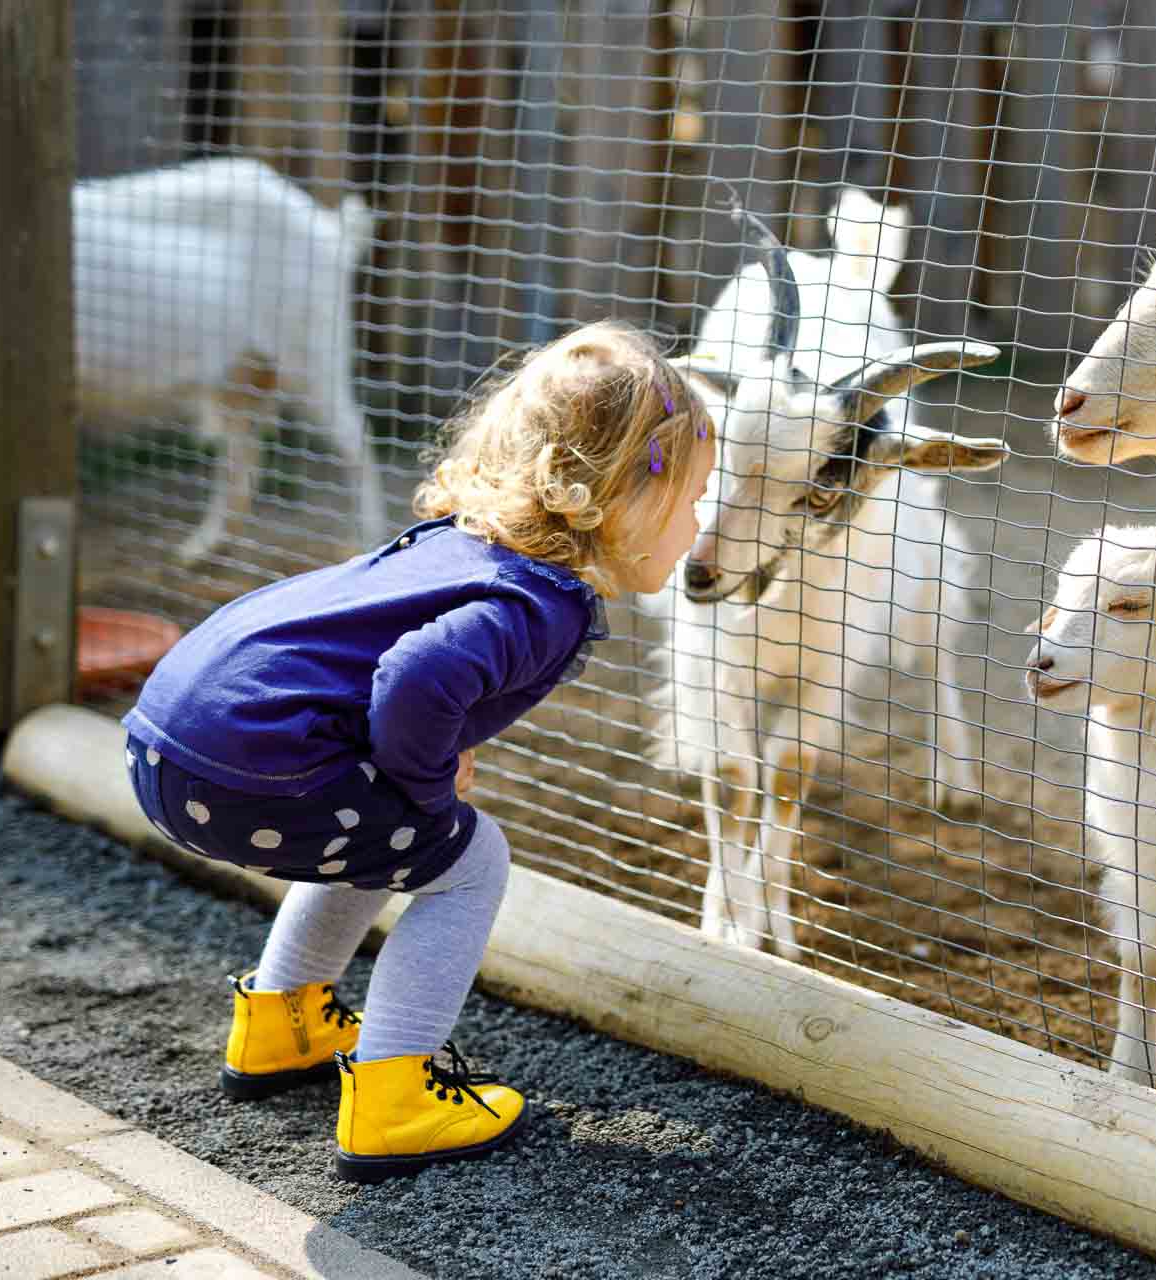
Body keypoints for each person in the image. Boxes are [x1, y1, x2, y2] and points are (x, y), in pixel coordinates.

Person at [121, 321, 715, 1182]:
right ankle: (397, 1094)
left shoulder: (459, 546)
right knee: (468, 859)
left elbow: (383, 674)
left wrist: (413, 779)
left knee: (389, 833)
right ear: (626, 494)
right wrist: (429, 786)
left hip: (168, 749)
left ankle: (282, 1022)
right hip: (256, 770)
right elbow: (418, 677)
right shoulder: (539, 601)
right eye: (693, 497)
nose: (701, 523)